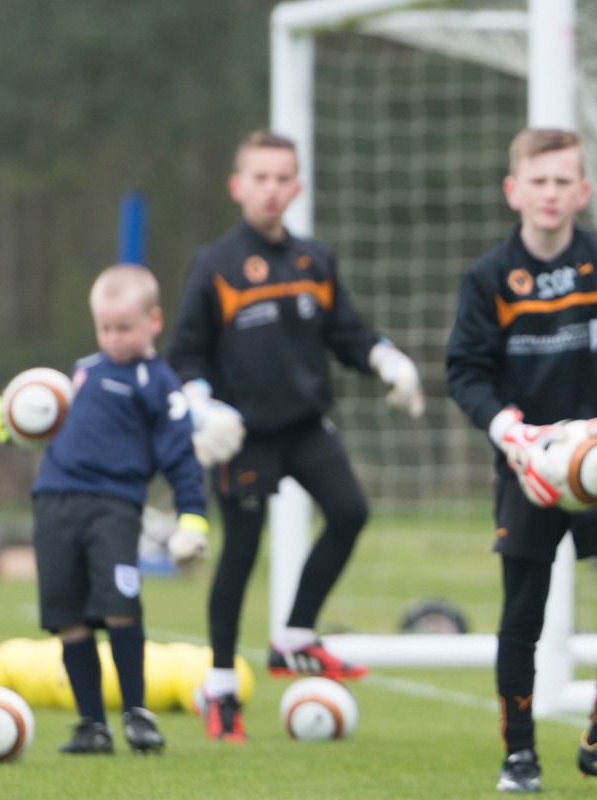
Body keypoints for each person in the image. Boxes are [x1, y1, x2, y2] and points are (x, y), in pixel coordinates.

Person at [167, 130, 425, 743]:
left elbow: (347, 334)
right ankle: (221, 687)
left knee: (350, 512)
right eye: (260, 177)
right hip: (243, 435)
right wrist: (202, 406)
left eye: (283, 178)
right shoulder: (215, 264)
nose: (271, 189)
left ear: (298, 187)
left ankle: (295, 637)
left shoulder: (315, 260)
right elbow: (184, 355)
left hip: (307, 425)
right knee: (241, 552)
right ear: (237, 186)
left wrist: (387, 359)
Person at [445, 127, 597, 794]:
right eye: (537, 181)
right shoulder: (488, 277)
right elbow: (465, 372)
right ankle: (519, 754)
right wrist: (511, 434)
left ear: (582, 191)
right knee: (523, 613)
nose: (550, 192)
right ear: (513, 190)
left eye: (563, 180)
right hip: (530, 470)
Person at [0, 265, 206, 755]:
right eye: (105, 327)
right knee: (66, 615)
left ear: (154, 321)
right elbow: (43, 425)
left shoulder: (159, 383)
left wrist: (192, 518)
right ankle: (92, 725)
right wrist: (11, 423)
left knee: (119, 606)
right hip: (53, 502)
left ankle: (137, 715)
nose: (114, 338)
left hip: (114, 507)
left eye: (124, 327)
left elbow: (180, 457)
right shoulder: (81, 372)